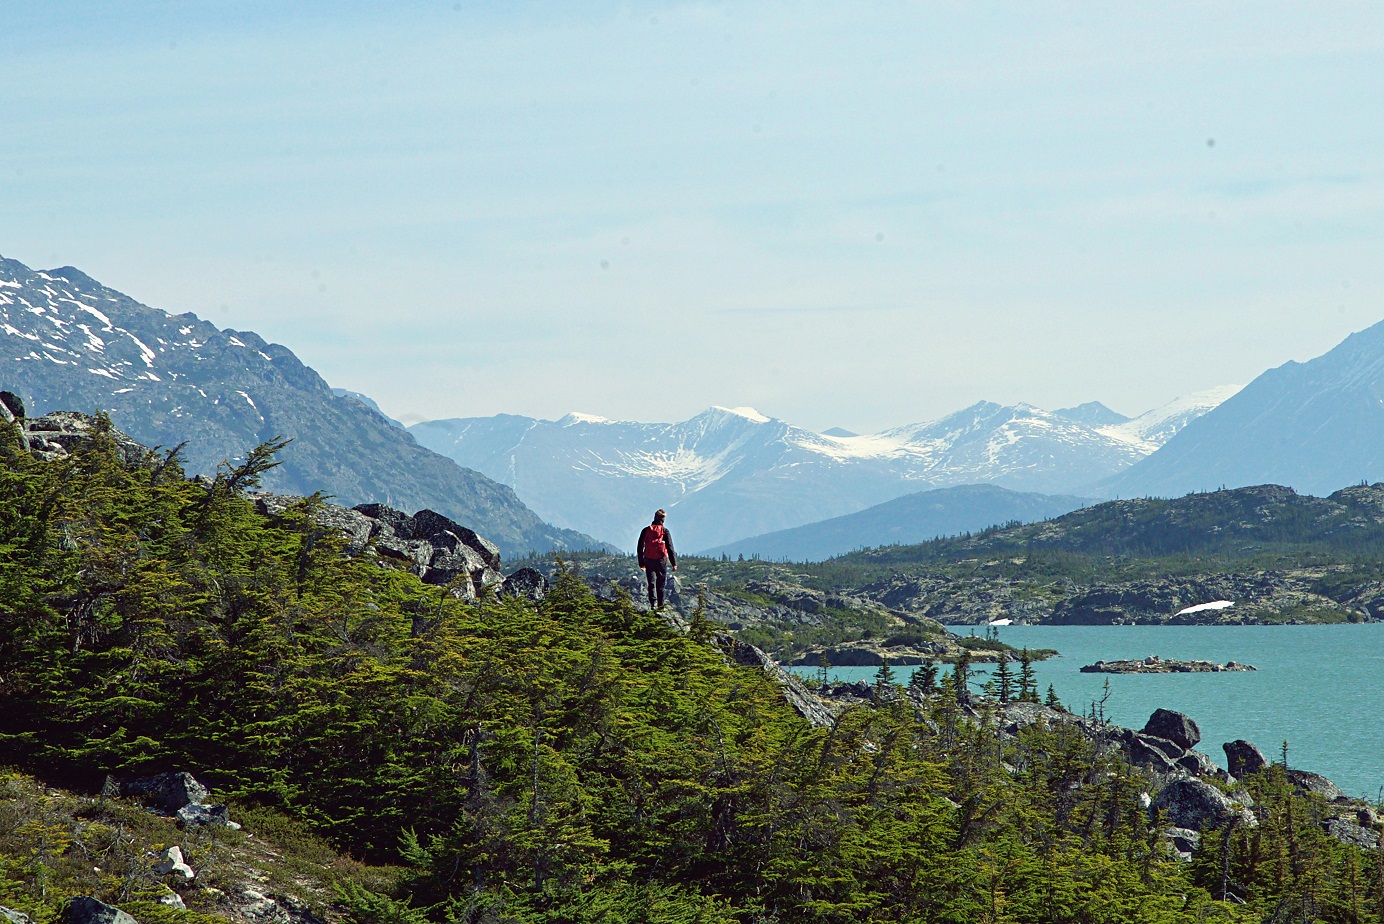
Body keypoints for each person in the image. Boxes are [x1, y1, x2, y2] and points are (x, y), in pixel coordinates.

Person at [636, 509, 678, 609]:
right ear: (663, 519)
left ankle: (652, 604)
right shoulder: (665, 531)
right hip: (661, 560)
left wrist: (641, 563)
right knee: (661, 584)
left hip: (648, 559)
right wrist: (674, 563)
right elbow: (670, 547)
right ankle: (661, 606)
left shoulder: (646, 530)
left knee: (651, 582)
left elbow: (640, 547)